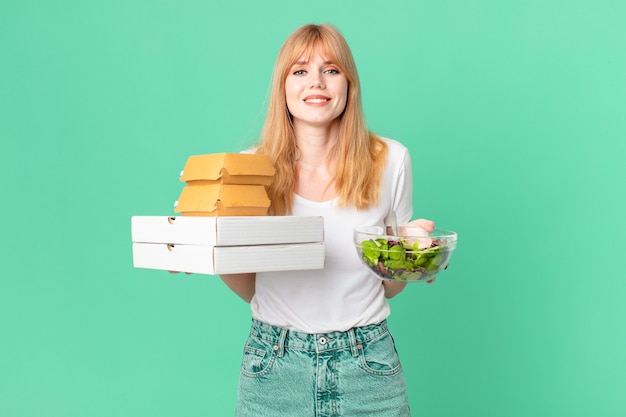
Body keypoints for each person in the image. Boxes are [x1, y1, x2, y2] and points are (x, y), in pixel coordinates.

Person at [220, 23, 435, 417]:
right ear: (282, 87)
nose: (315, 82)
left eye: (331, 70)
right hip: (273, 367)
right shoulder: (249, 170)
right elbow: (239, 275)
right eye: (300, 70)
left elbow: (388, 287)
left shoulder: (391, 160)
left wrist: (410, 262)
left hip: (369, 366)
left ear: (349, 84)